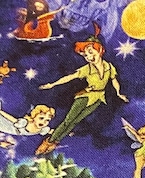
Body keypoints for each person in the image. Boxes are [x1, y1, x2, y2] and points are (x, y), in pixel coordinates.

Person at [36, 25, 128, 155]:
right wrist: (53, 84)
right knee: (68, 120)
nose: (89, 57)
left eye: (90, 52)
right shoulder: (87, 68)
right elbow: (71, 77)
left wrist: (119, 93)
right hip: (85, 96)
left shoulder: (109, 66)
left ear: (99, 49)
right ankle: (48, 141)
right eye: (85, 55)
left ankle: (56, 141)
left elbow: (114, 80)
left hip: (98, 98)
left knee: (75, 121)